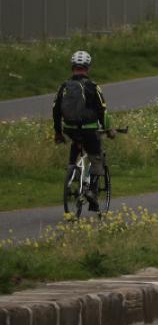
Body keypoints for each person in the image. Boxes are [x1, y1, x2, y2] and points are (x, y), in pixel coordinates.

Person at [51, 50, 112, 208]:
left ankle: (72, 168)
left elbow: (56, 110)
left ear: (73, 67)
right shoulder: (93, 87)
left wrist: (58, 132)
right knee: (96, 156)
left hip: (70, 129)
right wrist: (108, 129)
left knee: (76, 143)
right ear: (88, 68)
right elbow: (103, 110)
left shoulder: (63, 87)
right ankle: (91, 190)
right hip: (89, 129)